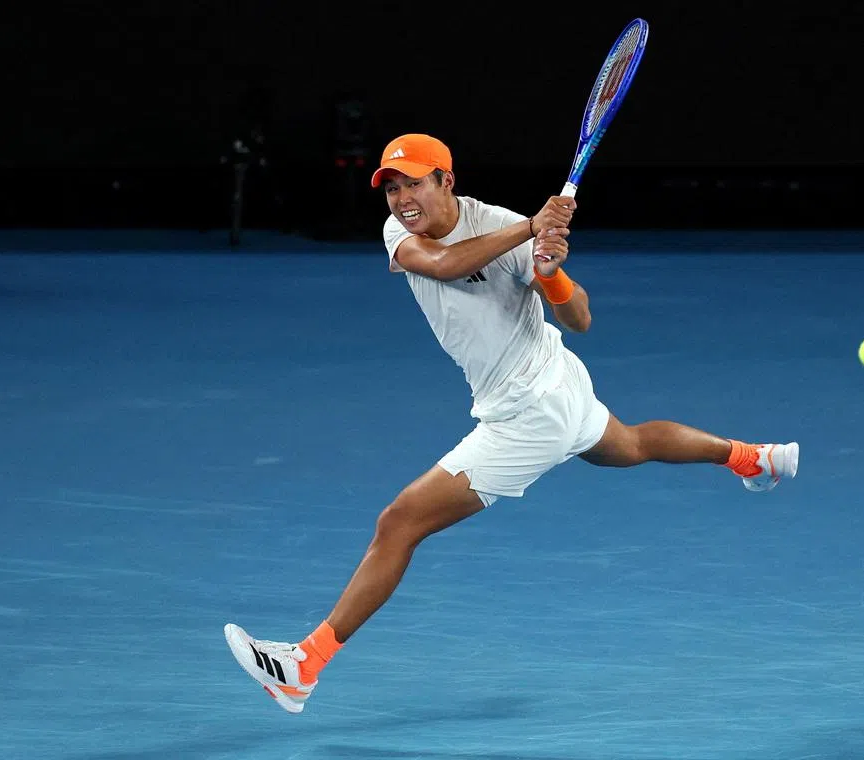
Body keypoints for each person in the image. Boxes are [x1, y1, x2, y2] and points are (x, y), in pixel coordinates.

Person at [224, 133, 799, 714]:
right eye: (392, 188)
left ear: (447, 181)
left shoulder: (500, 225)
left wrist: (549, 275)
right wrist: (530, 228)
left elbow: (580, 319)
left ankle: (303, 667)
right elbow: (444, 264)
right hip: (557, 387)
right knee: (628, 444)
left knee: (398, 524)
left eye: (414, 184)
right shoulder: (404, 232)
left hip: (531, 412)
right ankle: (753, 458)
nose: (402, 200)